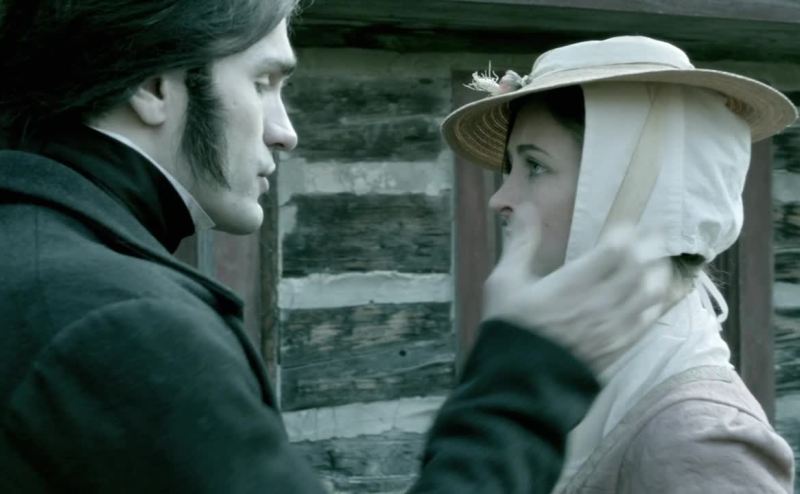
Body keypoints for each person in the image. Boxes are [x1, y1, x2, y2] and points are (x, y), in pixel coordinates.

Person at [0, 2, 672, 492]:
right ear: (153, 85)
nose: (285, 131)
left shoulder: (37, 254)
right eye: (263, 83)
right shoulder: (124, 326)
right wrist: (523, 382)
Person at [442, 35, 798, 492]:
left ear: (627, 188)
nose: (500, 199)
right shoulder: (576, 374)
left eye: (535, 166)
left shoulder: (704, 441)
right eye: (509, 168)